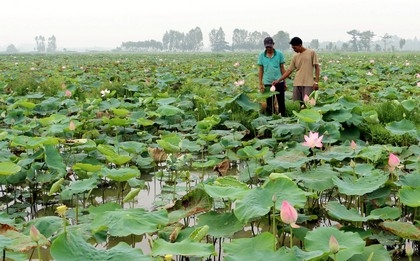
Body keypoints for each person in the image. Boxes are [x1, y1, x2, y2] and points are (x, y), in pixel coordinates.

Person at [273, 37, 320, 106]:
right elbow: (289, 71)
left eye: (295, 48)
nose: (294, 50)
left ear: (300, 45)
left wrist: (316, 82)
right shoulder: (295, 56)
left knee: (308, 104)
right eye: (293, 48)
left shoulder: (311, 53)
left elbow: (317, 67)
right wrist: (278, 80)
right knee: (297, 104)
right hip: (297, 83)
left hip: (308, 83)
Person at [257, 36, 287, 116]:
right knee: (269, 102)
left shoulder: (279, 54)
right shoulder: (261, 56)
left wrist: (284, 82)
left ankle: (283, 117)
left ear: (273, 44)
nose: (268, 49)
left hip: (279, 82)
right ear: (264, 46)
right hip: (267, 82)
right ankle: (270, 119)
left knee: (281, 101)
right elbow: (260, 70)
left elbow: (282, 68)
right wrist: (260, 83)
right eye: (267, 47)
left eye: (270, 47)